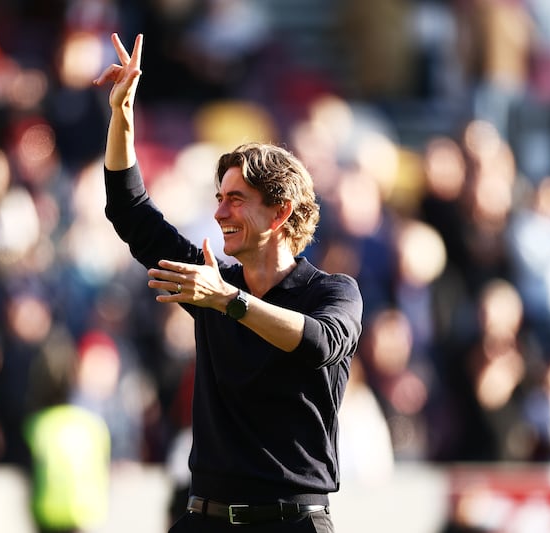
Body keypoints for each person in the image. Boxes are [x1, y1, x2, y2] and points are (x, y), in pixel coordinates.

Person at [93, 33, 363, 532]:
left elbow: (317, 341)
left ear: (280, 211)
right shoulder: (211, 287)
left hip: (293, 522)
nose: (218, 213)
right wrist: (123, 115)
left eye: (235, 199)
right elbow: (128, 209)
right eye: (219, 198)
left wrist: (228, 301)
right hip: (205, 518)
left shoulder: (332, 292)